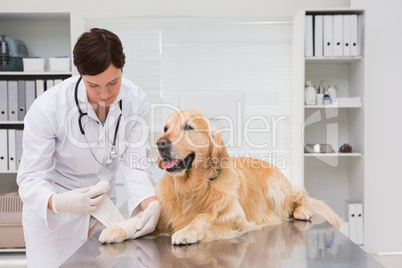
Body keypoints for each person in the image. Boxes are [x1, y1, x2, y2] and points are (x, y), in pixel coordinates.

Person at [17, 28, 160, 267]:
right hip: (57, 222)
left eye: (113, 83)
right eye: (93, 86)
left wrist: (150, 202)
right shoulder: (48, 108)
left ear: (122, 70)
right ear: (81, 74)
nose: (104, 95)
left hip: (104, 214)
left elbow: (134, 163)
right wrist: (60, 202)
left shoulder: (136, 101)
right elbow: (31, 179)